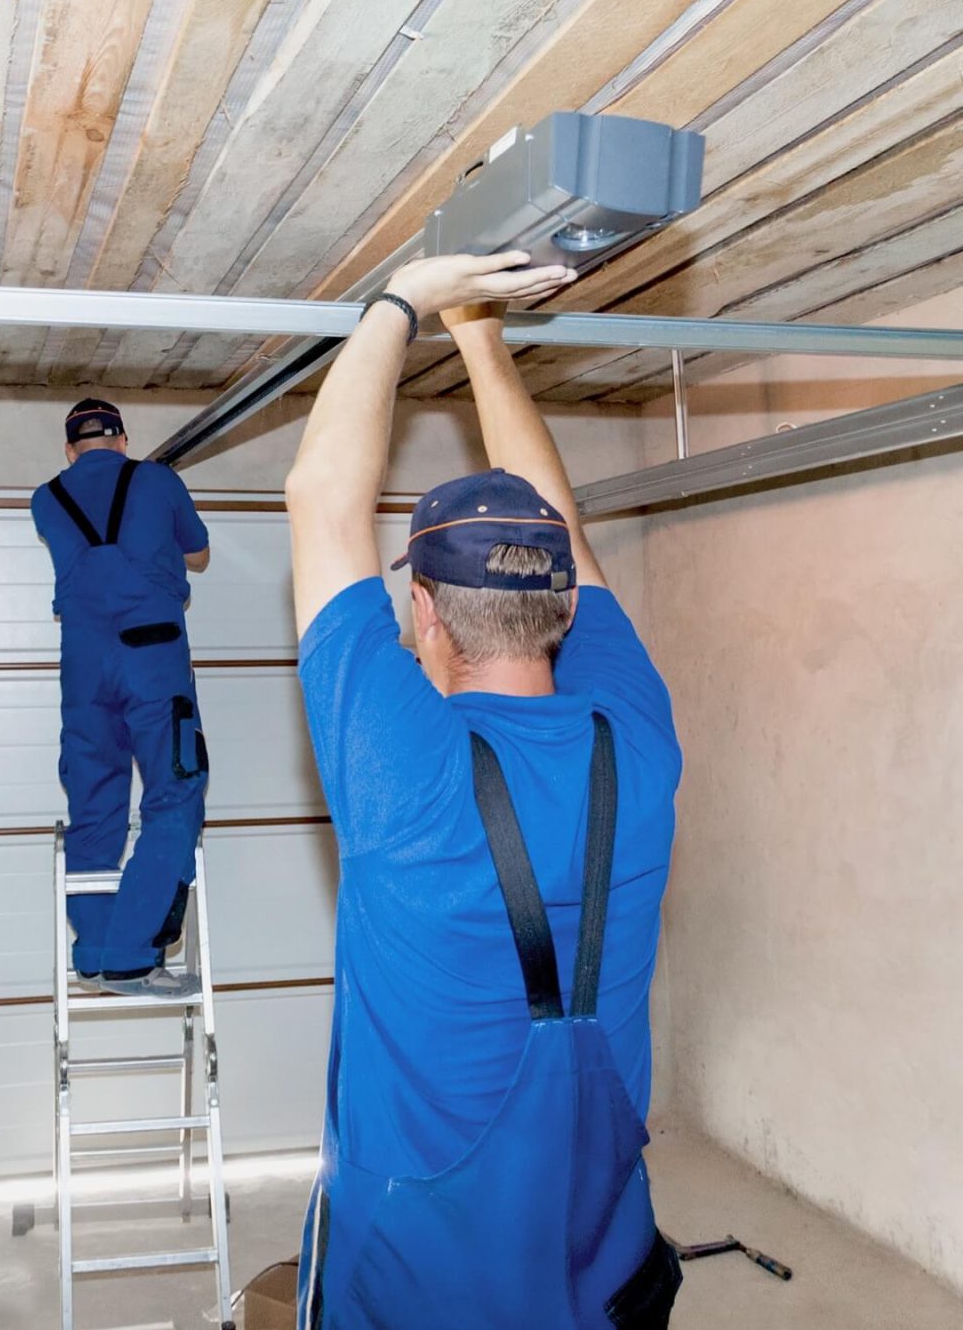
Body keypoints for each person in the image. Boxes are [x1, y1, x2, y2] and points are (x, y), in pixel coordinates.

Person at [283, 254, 685, 1328]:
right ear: (562, 605)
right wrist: (476, 337)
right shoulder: (634, 734)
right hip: (595, 1242)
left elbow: (320, 497)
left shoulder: (401, 770)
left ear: (422, 611)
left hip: (417, 1270)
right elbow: (565, 535)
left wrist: (408, 292)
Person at [31, 398, 213, 998]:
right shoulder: (158, 480)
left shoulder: (45, 499)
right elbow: (200, 554)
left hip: (85, 669)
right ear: (123, 439)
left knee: (95, 805)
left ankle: (96, 952)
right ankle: (134, 956)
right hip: (152, 660)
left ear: (69, 449)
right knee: (175, 793)